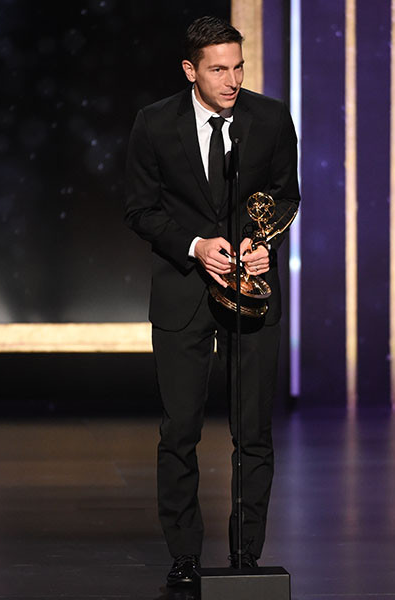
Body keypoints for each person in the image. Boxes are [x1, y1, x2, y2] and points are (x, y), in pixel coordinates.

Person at [123, 15, 300, 588]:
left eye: (238, 67)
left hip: (252, 290)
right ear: (190, 70)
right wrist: (196, 246)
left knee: (253, 430)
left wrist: (259, 242)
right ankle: (184, 559)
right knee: (180, 431)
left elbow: (284, 195)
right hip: (184, 292)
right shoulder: (154, 124)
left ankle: (247, 556)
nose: (231, 80)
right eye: (218, 69)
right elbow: (141, 208)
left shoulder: (269, 119)